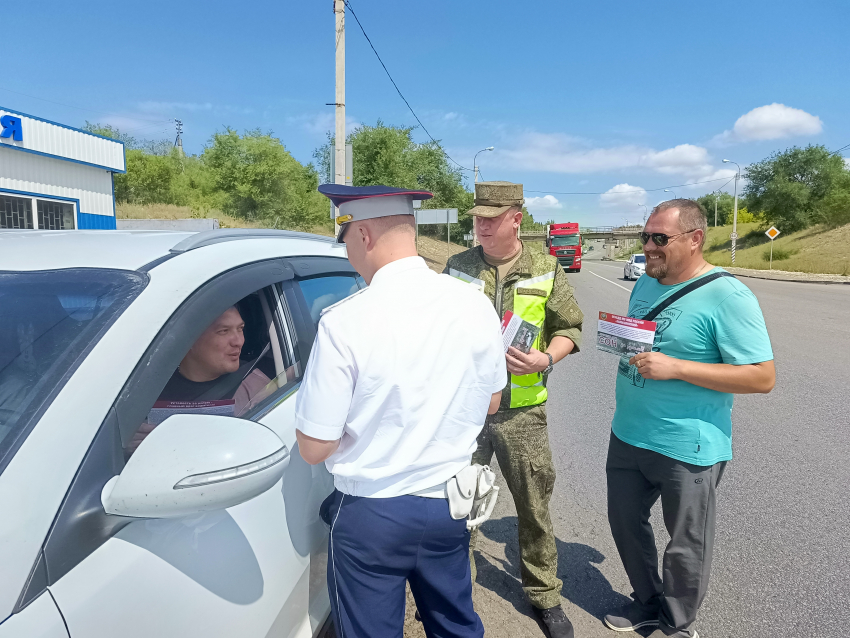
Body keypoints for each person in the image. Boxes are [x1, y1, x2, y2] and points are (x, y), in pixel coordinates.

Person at [295, 184, 507, 638]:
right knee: (456, 624)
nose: (349, 252)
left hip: (371, 515)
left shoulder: (344, 321)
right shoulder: (474, 302)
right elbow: (491, 401)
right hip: (448, 506)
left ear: (364, 236)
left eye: (347, 239)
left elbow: (314, 448)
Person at [603, 199, 775, 638]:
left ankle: (677, 625)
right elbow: (644, 335)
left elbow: (761, 377)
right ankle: (647, 602)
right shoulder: (646, 280)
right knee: (624, 522)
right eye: (645, 236)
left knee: (685, 545)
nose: (649, 247)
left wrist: (676, 367)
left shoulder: (727, 295)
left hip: (688, 445)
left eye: (660, 238)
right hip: (629, 434)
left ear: (695, 239)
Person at [444, 181, 583, 638]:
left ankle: (543, 594)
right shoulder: (457, 267)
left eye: (491, 217)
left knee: (533, 506)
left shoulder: (546, 268)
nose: (480, 225)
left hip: (522, 413)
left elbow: (570, 327)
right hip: (465, 412)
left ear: (516, 218)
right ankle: (454, 593)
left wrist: (547, 358)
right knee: (458, 504)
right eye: (476, 218)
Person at [127, 306, 272, 452]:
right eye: (224, 331)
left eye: (240, 329)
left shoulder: (256, 388)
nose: (239, 341)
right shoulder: (146, 387)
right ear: (188, 340)